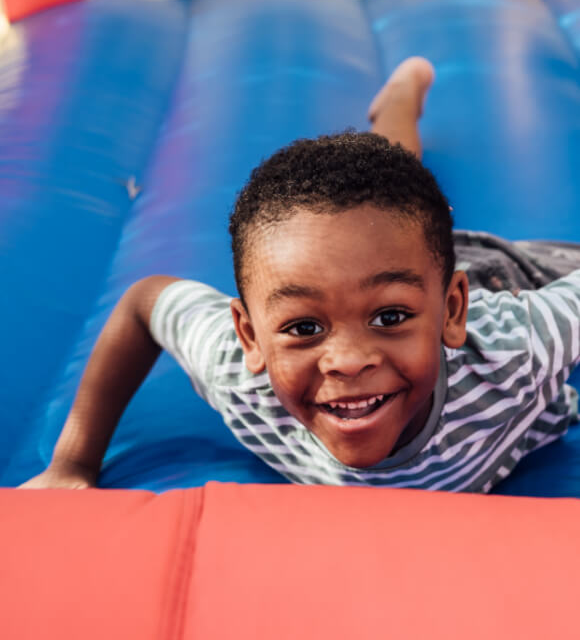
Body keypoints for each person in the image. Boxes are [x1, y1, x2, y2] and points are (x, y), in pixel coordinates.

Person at [21, 58, 580, 492]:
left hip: (502, 275)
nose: (348, 359)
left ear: (451, 313)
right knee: (392, 199)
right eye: (304, 328)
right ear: (249, 337)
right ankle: (399, 97)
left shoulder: (512, 351)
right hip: (400, 265)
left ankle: (403, 96)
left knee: (394, 181)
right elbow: (146, 303)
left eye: (388, 319)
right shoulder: (240, 377)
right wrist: (73, 461)